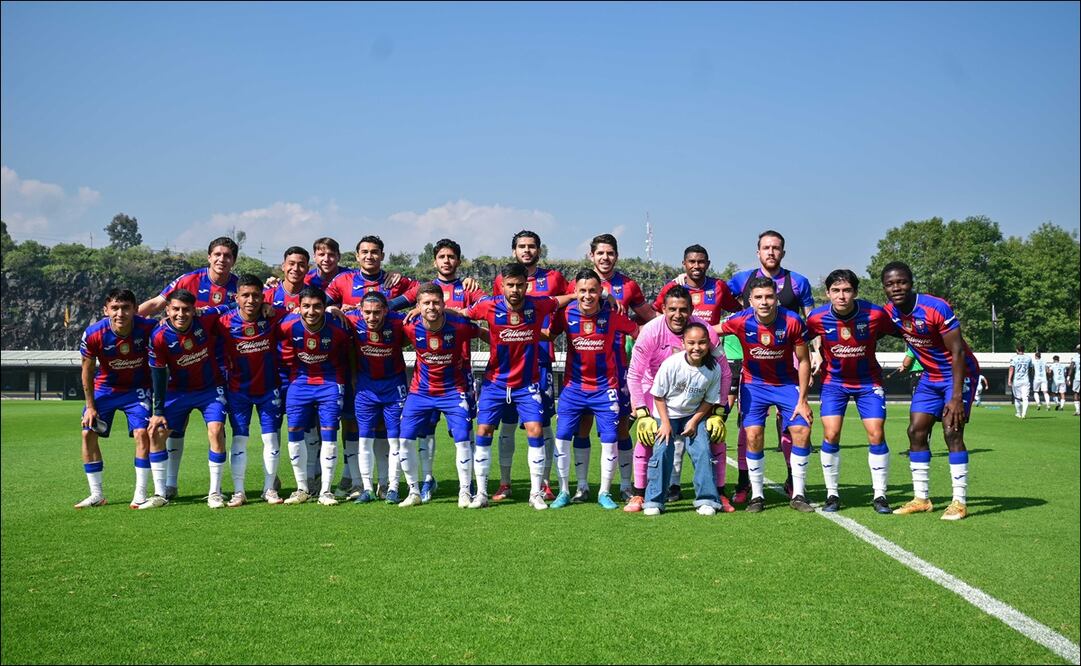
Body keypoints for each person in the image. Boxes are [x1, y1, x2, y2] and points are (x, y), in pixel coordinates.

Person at [139, 236, 239, 499]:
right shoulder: (188, 281)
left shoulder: (237, 287)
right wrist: (123, 321)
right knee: (166, 430)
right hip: (178, 384)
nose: (221, 259)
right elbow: (155, 304)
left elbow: (244, 305)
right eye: (217, 254)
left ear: (233, 260)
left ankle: (216, 491)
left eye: (227, 255)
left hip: (213, 372)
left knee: (218, 429)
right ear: (208, 257)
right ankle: (166, 488)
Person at [466, 263, 571, 510]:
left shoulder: (537, 304)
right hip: (495, 383)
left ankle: (535, 493)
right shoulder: (488, 306)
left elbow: (559, 300)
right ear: (502, 285)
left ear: (527, 285)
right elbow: (462, 314)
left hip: (527, 383)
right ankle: (481, 493)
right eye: (510, 285)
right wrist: (422, 308)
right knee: (484, 432)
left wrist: (581, 295)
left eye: (519, 285)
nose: (515, 289)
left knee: (535, 430)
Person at [881, 262, 980, 521]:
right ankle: (921, 498)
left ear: (911, 282)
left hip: (958, 374)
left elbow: (957, 352)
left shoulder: (935, 307)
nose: (896, 287)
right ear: (885, 288)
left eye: (901, 282)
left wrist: (957, 396)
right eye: (890, 284)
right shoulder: (889, 312)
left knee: (952, 430)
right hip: (930, 376)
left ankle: (959, 501)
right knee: (916, 431)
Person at [389, 238, 484, 499]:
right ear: (434, 261)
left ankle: (470, 483)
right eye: (441, 256)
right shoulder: (422, 291)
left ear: (458, 261)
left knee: (463, 430)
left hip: (459, 372)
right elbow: (391, 305)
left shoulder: (468, 287)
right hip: (426, 378)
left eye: (451, 256)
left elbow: (486, 308)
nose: (446, 261)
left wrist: (459, 311)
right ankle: (427, 479)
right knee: (425, 430)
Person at [726, 230, 818, 501]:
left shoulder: (798, 282)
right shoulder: (741, 279)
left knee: (792, 427)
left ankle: (794, 483)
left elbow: (812, 321)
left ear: (783, 252)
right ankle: (746, 485)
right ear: (758, 251)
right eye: (766, 247)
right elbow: (716, 298)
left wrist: (817, 353)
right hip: (751, 364)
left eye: (776, 248)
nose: (771, 252)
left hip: (788, 363)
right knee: (749, 431)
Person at [567, 234, 657, 501]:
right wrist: (604, 294)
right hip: (582, 369)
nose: (605, 257)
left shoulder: (628, 285)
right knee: (582, 426)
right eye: (600, 253)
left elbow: (648, 319)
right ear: (591, 255)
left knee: (620, 428)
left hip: (618, 368)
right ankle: (582, 487)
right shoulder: (578, 283)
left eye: (610, 253)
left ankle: (626, 485)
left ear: (616, 255)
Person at [626, 286, 729, 513]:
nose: (678, 314)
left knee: (714, 439)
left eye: (683, 309)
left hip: (696, 397)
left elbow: (725, 372)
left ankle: (718, 494)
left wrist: (719, 412)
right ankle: (640, 494)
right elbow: (634, 374)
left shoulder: (705, 332)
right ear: (663, 309)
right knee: (649, 437)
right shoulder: (651, 331)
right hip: (656, 391)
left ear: (692, 309)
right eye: (672, 309)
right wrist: (642, 412)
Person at [654, 244, 742, 501]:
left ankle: (718, 489)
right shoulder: (672, 289)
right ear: (684, 264)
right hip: (675, 365)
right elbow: (655, 313)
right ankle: (673, 486)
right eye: (691, 261)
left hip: (708, 366)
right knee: (675, 431)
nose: (696, 266)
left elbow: (738, 311)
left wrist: (713, 330)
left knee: (713, 433)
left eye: (701, 261)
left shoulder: (718, 287)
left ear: (708, 263)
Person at [804, 270, 895, 514]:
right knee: (831, 434)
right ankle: (832, 494)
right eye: (836, 290)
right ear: (827, 293)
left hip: (868, 382)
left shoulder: (874, 314)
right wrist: (813, 355)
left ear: (855, 292)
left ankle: (880, 495)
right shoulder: (817, 317)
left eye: (846, 290)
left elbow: (902, 330)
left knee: (876, 434)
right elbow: (799, 338)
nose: (841, 296)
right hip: (834, 383)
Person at [549, 269, 641, 510]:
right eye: (582, 291)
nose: (587, 295)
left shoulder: (612, 315)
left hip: (605, 388)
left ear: (601, 291)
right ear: (575, 292)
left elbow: (638, 333)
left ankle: (604, 492)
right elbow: (548, 334)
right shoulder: (566, 313)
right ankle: (569, 490)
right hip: (573, 388)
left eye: (592, 290)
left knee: (610, 438)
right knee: (563, 438)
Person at [489, 231, 569, 502]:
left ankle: (545, 483)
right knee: (507, 424)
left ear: (539, 250)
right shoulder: (502, 278)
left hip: (540, 361)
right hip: (506, 365)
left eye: (531, 246)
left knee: (543, 424)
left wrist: (552, 332)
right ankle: (505, 482)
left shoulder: (554, 278)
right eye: (521, 246)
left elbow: (570, 301)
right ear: (514, 251)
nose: (526, 250)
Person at [400, 283, 486, 508]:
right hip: (420, 392)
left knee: (463, 440)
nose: (431, 307)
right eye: (426, 303)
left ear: (444, 304)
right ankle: (413, 491)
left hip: (453, 391)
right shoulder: (409, 327)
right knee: (404, 440)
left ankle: (465, 491)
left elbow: (485, 333)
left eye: (436, 302)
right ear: (417, 306)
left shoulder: (459, 325)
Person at [76, 289, 162, 509]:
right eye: (114, 308)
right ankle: (96, 494)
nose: (120, 313)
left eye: (125, 308)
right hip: (106, 388)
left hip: (137, 389)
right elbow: (86, 371)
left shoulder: (148, 328)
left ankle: (140, 494)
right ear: (106, 310)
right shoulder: (94, 333)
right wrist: (90, 407)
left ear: (135, 309)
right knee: (87, 433)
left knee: (142, 433)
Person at [147, 289, 229, 508]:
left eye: (186, 310)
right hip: (178, 391)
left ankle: (215, 492)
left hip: (210, 388)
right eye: (175, 309)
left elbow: (232, 305)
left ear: (194, 310)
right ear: (167, 310)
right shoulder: (159, 336)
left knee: (216, 430)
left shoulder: (207, 317)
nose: (180, 314)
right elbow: (158, 375)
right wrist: (157, 412)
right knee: (157, 432)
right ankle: (161, 492)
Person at [276, 286, 355, 506]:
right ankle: (302, 488)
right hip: (299, 383)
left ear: (325, 307)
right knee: (294, 433)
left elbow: (349, 354)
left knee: (329, 434)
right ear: (299, 307)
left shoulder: (337, 328)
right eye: (306, 306)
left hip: (330, 383)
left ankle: (326, 491)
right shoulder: (287, 326)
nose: (311, 311)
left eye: (317, 306)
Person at [215, 275, 288, 506]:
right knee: (239, 440)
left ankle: (269, 489)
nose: (251, 300)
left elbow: (302, 313)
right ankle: (239, 491)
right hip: (238, 391)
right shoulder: (223, 322)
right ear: (236, 297)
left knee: (271, 439)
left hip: (269, 389)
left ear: (263, 297)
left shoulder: (274, 316)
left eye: (256, 295)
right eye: (245, 295)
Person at [643, 323, 726, 517]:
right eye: (691, 343)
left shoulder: (714, 369)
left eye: (702, 343)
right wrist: (664, 424)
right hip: (666, 414)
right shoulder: (672, 364)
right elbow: (658, 396)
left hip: (693, 415)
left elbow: (709, 400)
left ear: (708, 344)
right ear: (683, 343)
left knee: (703, 451)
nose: (696, 347)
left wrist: (695, 421)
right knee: (662, 450)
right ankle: (654, 500)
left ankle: (707, 499)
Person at [344, 292, 413, 505]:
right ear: (360, 310)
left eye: (376, 312)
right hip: (366, 388)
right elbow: (328, 314)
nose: (372, 317)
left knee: (395, 440)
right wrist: (333, 309)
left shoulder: (398, 320)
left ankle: (391, 486)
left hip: (394, 386)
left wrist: (418, 309)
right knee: (365, 439)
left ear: (386, 310)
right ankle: (367, 488)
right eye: (367, 312)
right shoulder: (352, 319)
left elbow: (424, 317)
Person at [264, 246, 311, 312]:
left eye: (301, 265)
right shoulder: (268, 293)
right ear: (283, 266)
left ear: (307, 269)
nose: (295, 269)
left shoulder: (313, 295)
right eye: (291, 264)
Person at [1007, 344, 1033, 419]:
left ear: (1017, 350)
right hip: (1025, 380)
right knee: (1025, 398)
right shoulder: (1028, 358)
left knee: (1017, 398)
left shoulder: (1014, 358)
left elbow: (1011, 369)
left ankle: (1018, 413)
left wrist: (1009, 379)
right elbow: (1031, 369)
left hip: (1017, 381)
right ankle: (1024, 414)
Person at [1072, 345, 1080, 416]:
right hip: (1077, 377)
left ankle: (1078, 410)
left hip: (1078, 377)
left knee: (1075, 393)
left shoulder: (1075, 357)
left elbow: (1071, 367)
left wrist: (1068, 377)